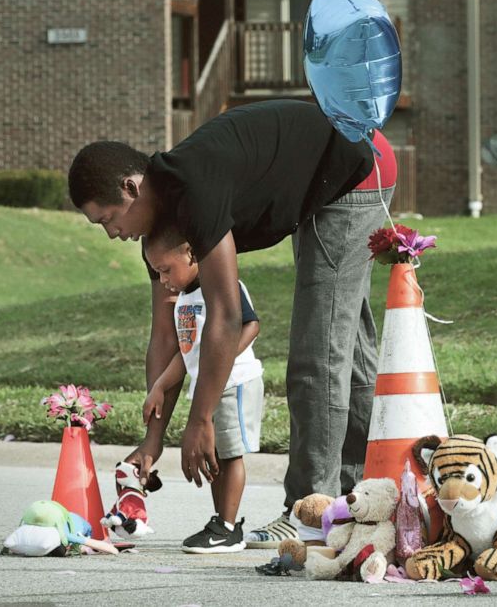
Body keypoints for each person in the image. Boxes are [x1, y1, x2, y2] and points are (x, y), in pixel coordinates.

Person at [67, 99, 397, 547]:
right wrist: (153, 440)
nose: (111, 233)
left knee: (319, 352)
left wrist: (201, 418)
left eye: (107, 219)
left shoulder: (195, 189)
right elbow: (168, 335)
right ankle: (357, 496)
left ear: (131, 187)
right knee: (347, 347)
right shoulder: (161, 238)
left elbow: (225, 314)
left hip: (353, 165)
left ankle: (311, 510)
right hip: (326, 172)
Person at [141, 219, 264, 553]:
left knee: (230, 455)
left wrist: (221, 360)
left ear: (191, 254)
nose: (163, 280)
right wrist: (159, 387)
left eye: (166, 270)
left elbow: (250, 326)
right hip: (209, 387)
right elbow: (187, 353)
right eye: (158, 273)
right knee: (215, 459)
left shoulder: (223, 287)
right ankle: (220, 522)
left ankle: (228, 527)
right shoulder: (182, 302)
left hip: (235, 382)